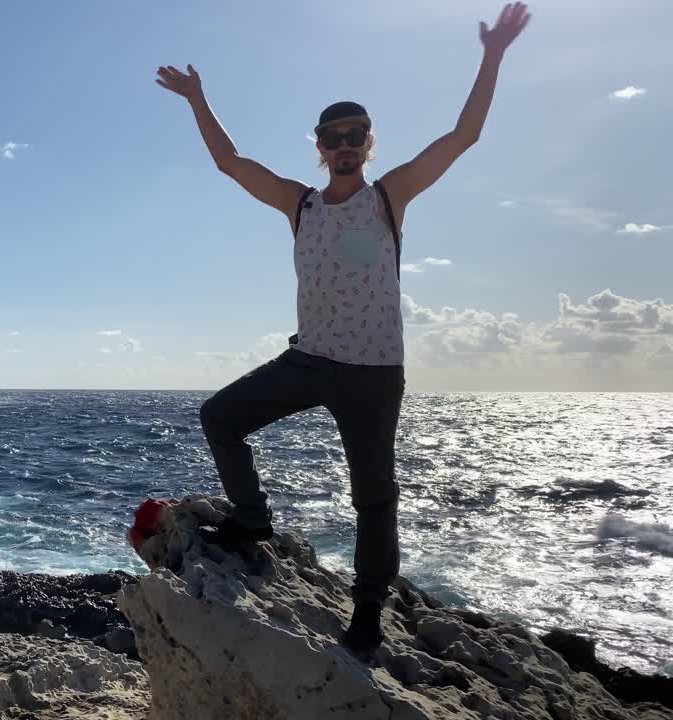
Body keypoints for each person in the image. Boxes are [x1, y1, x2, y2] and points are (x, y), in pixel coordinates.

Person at [155, 3, 531, 657]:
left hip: (375, 373)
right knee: (220, 417)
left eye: (357, 133)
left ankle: (368, 613)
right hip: (311, 360)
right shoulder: (298, 203)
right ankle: (252, 524)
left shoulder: (390, 196)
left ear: (369, 143)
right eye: (333, 137)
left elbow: (463, 135)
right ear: (320, 148)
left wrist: (493, 53)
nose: (346, 144)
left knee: (373, 496)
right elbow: (231, 162)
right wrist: (196, 97)